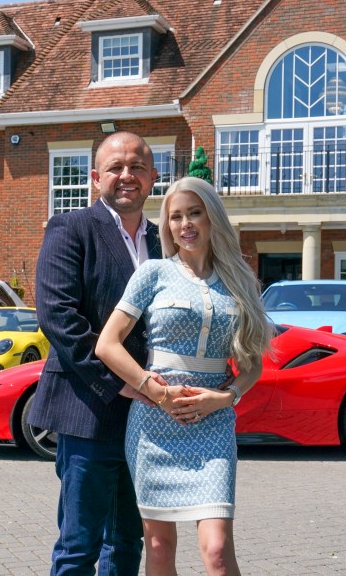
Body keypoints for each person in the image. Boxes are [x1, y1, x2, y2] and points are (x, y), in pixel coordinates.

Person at [95, 176, 271, 575]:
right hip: (154, 425)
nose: (185, 224)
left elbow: (254, 363)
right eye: (175, 216)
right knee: (158, 545)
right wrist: (153, 391)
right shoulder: (153, 273)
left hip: (213, 426)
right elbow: (107, 344)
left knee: (217, 549)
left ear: (212, 218)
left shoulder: (239, 280)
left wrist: (226, 398)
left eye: (195, 213)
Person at [28, 131, 164, 575]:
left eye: (137, 167)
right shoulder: (71, 229)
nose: (127, 176)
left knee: (128, 540)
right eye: (116, 168)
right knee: (79, 545)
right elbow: (59, 319)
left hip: (147, 419)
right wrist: (121, 383)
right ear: (95, 178)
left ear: (153, 176)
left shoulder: (165, 241)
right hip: (89, 411)